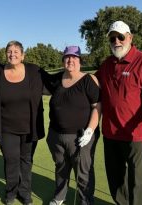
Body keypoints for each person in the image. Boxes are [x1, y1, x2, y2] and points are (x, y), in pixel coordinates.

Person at [95, 21, 142, 205]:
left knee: (135, 179)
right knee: (115, 177)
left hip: (134, 134)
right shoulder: (106, 65)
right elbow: (90, 85)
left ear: (130, 37)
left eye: (120, 37)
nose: (116, 41)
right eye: (113, 38)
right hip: (110, 132)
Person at [0, 41, 44, 205]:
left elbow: (53, 82)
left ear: (22, 55)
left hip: (29, 128)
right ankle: (11, 192)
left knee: (26, 161)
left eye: (16, 51)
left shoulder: (34, 71)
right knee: (11, 160)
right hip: (6, 128)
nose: (12, 54)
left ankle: (25, 192)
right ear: (5, 54)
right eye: (9, 51)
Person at [45, 46, 101, 205]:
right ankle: (59, 197)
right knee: (61, 169)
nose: (70, 60)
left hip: (81, 137)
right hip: (56, 135)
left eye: (74, 58)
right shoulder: (57, 79)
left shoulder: (88, 80)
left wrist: (90, 130)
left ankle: (85, 201)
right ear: (63, 61)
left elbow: (97, 107)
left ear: (80, 61)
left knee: (83, 173)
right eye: (67, 58)